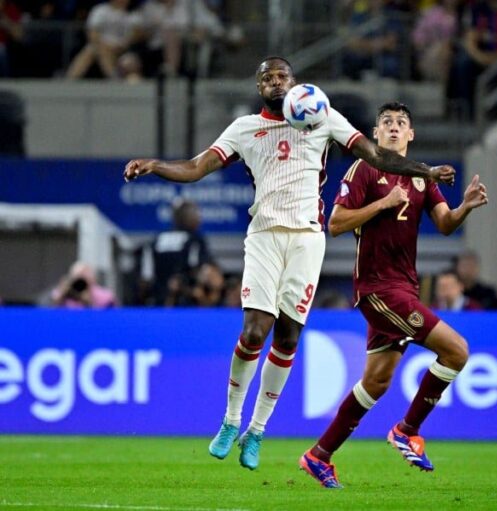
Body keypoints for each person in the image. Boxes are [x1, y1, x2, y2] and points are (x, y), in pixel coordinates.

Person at [123, 57, 456, 471]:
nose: (275, 82)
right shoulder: (244, 129)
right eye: (267, 78)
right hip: (264, 235)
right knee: (253, 330)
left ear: (294, 83)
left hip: (307, 239)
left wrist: (427, 171)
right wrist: (155, 165)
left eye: (282, 76)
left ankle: (257, 431)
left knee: (288, 338)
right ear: (259, 86)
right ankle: (230, 421)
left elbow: (378, 157)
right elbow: (196, 168)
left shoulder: (323, 115)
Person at [299, 101, 488, 489]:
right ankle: (407, 430)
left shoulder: (421, 177)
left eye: (402, 123)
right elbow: (334, 223)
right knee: (457, 351)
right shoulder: (365, 169)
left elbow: (445, 224)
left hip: (404, 287)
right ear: (375, 133)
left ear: (412, 134)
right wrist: (383, 203)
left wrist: (465, 207)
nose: (395, 127)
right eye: (386, 122)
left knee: (378, 381)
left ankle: (319, 455)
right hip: (378, 289)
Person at [138, 198, 213, 306]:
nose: (199, 218)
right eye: (196, 214)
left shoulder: (156, 239)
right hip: (186, 304)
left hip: (157, 302)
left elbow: (146, 278)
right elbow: (199, 271)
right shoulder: (195, 240)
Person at [65, 0, 143, 80]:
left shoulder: (133, 14)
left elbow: (136, 36)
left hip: (123, 49)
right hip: (102, 46)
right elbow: (92, 34)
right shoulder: (100, 10)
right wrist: (104, 46)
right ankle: (69, 80)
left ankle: (115, 79)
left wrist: (121, 46)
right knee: (90, 51)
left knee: (128, 62)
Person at [49, 261, 118, 309]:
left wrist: (89, 301)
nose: (82, 279)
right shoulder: (65, 292)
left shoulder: (105, 296)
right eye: (79, 275)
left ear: (93, 277)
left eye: (86, 274)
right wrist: (64, 293)